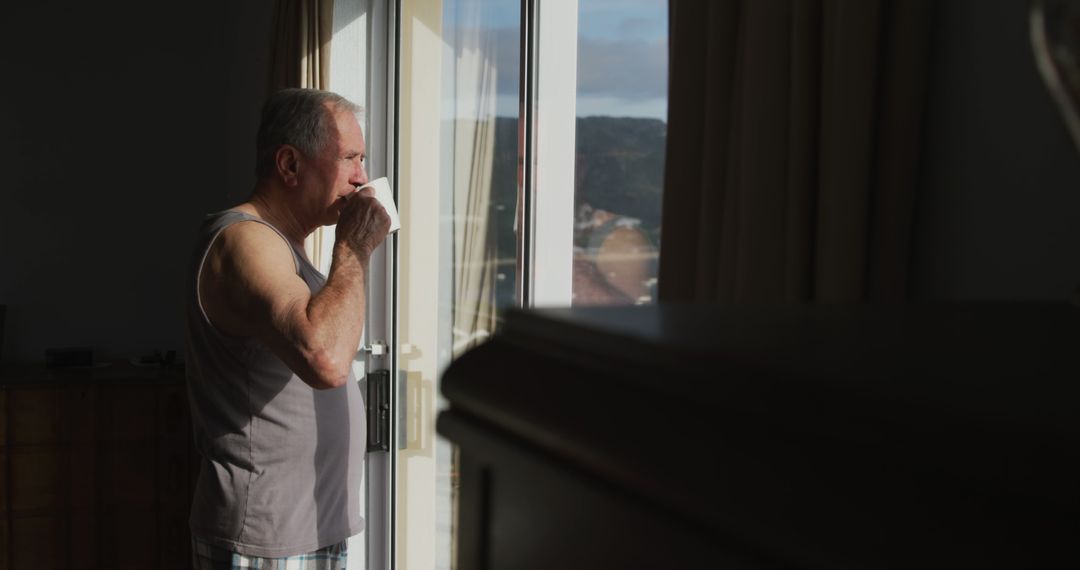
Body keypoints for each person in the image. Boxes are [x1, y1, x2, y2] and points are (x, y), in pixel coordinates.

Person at [183, 87, 390, 569]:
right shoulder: (245, 240)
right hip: (267, 537)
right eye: (350, 158)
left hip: (302, 530)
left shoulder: (281, 246)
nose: (362, 177)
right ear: (290, 165)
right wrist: (354, 247)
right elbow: (325, 359)